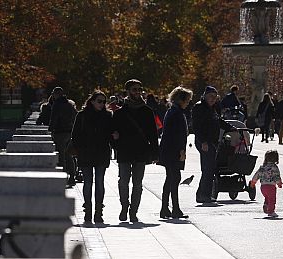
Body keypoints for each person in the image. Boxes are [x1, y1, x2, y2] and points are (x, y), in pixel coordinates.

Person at [112, 79, 159, 222]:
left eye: (139, 89)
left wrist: (155, 153)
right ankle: (124, 206)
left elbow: (153, 133)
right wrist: (116, 144)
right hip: (125, 151)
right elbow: (113, 132)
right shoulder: (120, 112)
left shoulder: (147, 111)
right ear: (127, 92)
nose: (137, 92)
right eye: (134, 89)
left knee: (138, 183)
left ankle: (133, 211)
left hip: (141, 151)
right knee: (123, 181)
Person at [70, 90, 113, 224]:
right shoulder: (81, 115)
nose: (102, 104)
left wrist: (114, 137)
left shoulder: (107, 115)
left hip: (101, 153)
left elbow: (111, 133)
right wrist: (79, 149)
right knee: (88, 182)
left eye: (104, 102)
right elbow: (75, 134)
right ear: (92, 101)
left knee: (99, 182)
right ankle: (88, 210)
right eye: (99, 101)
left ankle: (98, 212)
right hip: (86, 153)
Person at [192, 86, 236, 203]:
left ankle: (201, 194)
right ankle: (204, 195)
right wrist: (203, 142)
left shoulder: (213, 108)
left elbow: (218, 121)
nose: (213, 99)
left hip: (212, 141)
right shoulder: (199, 107)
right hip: (205, 142)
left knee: (209, 169)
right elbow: (196, 127)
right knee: (208, 169)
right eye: (210, 96)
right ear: (205, 96)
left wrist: (231, 128)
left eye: (215, 97)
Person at [159, 86, 193, 219]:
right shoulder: (177, 113)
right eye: (187, 100)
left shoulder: (172, 111)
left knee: (170, 178)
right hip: (173, 150)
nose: (188, 102)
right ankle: (175, 209)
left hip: (168, 150)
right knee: (174, 178)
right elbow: (177, 135)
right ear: (181, 100)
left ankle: (165, 208)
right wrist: (181, 151)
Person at [48, 86, 78, 186]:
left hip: (60, 132)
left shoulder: (57, 104)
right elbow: (75, 116)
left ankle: (63, 177)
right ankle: (72, 177)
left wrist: (51, 130)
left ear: (56, 94)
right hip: (69, 132)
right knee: (69, 155)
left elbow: (54, 118)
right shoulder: (69, 104)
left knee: (61, 156)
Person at [250, 150, 283, 217]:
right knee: (272, 199)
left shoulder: (262, 167)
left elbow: (257, 175)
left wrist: (253, 182)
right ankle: (271, 211)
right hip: (271, 186)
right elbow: (277, 176)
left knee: (267, 197)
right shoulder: (274, 167)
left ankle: (266, 205)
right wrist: (279, 183)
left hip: (263, 187)